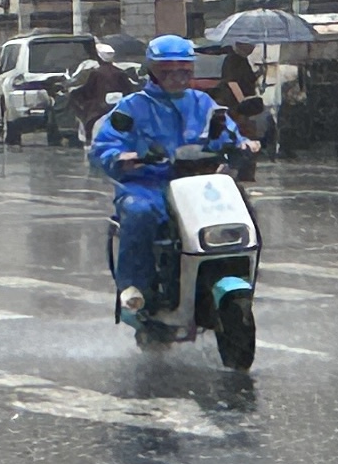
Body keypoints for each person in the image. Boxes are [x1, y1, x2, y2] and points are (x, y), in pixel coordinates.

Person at [91, 34, 246, 314]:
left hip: (197, 185)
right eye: (168, 71)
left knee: (241, 209)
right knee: (139, 212)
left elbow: (227, 134)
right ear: (153, 71)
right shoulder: (132, 107)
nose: (177, 78)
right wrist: (120, 157)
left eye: (183, 71)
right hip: (148, 185)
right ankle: (135, 288)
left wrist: (243, 144)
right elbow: (105, 145)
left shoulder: (203, 103)